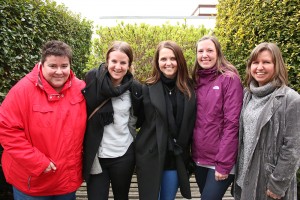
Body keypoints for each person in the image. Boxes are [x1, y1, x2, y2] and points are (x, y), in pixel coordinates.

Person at [0, 40, 87, 199]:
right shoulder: (22, 91)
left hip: (67, 181)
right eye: (53, 66)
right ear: (41, 64)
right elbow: (6, 131)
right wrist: (38, 162)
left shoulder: (80, 89)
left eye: (64, 66)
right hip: (33, 182)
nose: (59, 72)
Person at [234, 42, 300, 200]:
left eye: (266, 62)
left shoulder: (291, 99)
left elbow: (293, 148)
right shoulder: (247, 95)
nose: (259, 67)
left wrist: (277, 185)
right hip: (244, 180)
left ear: (277, 65)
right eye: (255, 62)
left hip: (269, 184)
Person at [135, 40, 196, 200]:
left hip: (175, 158)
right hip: (150, 155)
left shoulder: (190, 88)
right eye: (163, 59)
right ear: (157, 62)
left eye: (173, 58)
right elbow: (138, 120)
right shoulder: (147, 88)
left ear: (180, 61)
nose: (168, 63)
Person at [82, 41, 142, 200]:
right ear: (107, 61)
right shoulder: (92, 80)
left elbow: (137, 118)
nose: (118, 66)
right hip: (98, 155)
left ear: (129, 65)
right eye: (114, 61)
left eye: (123, 62)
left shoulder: (134, 88)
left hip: (123, 154)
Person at [191, 35, 243, 200]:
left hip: (220, 160)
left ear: (218, 53)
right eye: (201, 51)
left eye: (209, 50)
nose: (204, 55)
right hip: (199, 158)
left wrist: (223, 164)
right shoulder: (195, 80)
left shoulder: (229, 79)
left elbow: (232, 124)